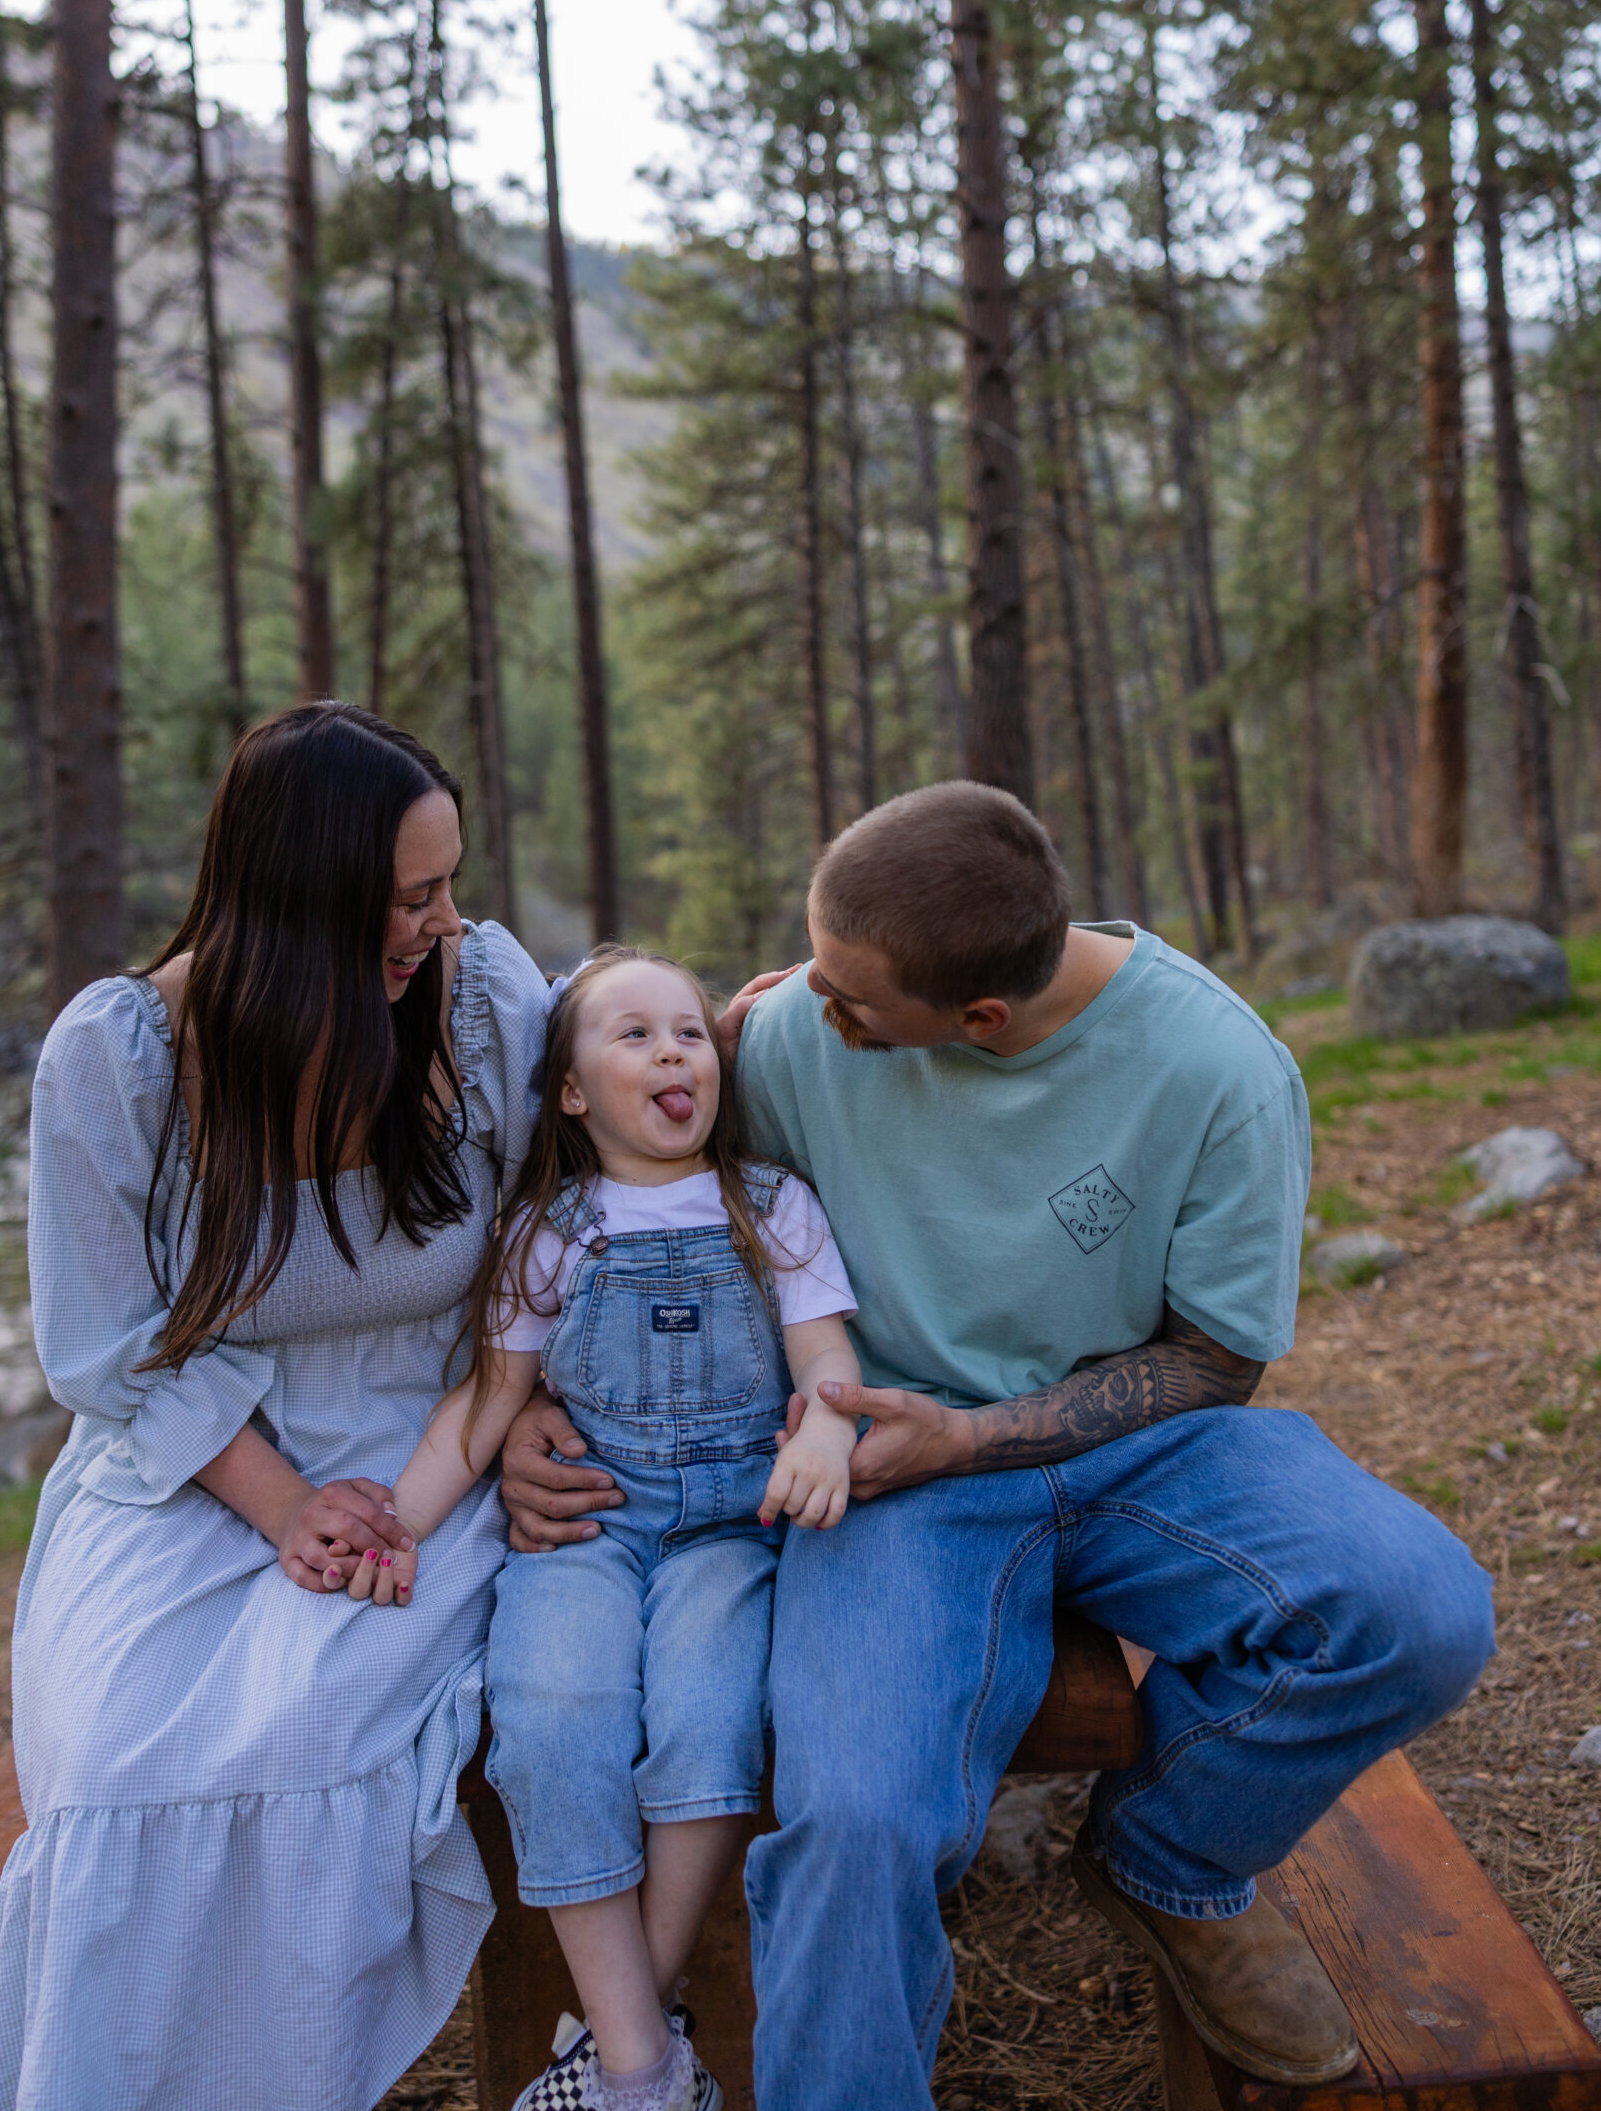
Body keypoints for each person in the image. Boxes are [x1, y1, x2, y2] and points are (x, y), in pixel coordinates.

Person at [499, 781, 1496, 2111]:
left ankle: (1169, 1860)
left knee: (1418, 1612)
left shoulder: (1217, 1070)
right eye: (813, 968)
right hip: (881, 1469)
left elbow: (1215, 1358)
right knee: (854, 1828)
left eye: (849, 1001)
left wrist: (970, 1434)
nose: (806, 1011)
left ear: (976, 1021)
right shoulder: (789, 1029)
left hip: (1144, 1440)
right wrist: (529, 1410)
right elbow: (627, 1181)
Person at [0, 704, 553, 2111]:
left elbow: (557, 1235)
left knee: (308, 1729)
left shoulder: (481, 1005)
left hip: (434, 1443)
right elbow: (110, 1346)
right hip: (196, 1461)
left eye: (449, 882)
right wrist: (284, 1504)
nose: (443, 921)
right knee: (121, 1766)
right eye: (411, 896)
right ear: (301, 896)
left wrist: (523, 1409)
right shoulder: (118, 1058)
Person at [356, 944, 859, 2111]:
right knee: (552, 1719)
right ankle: (643, 2065)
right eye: (631, 1034)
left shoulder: (772, 1204)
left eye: (688, 1030)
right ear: (572, 1091)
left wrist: (828, 1427)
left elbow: (824, 1350)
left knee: (709, 1717)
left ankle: (623, 2043)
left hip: (733, 1528)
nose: (671, 1049)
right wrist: (401, 1522)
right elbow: (485, 1404)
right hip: (592, 1523)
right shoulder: (551, 1226)